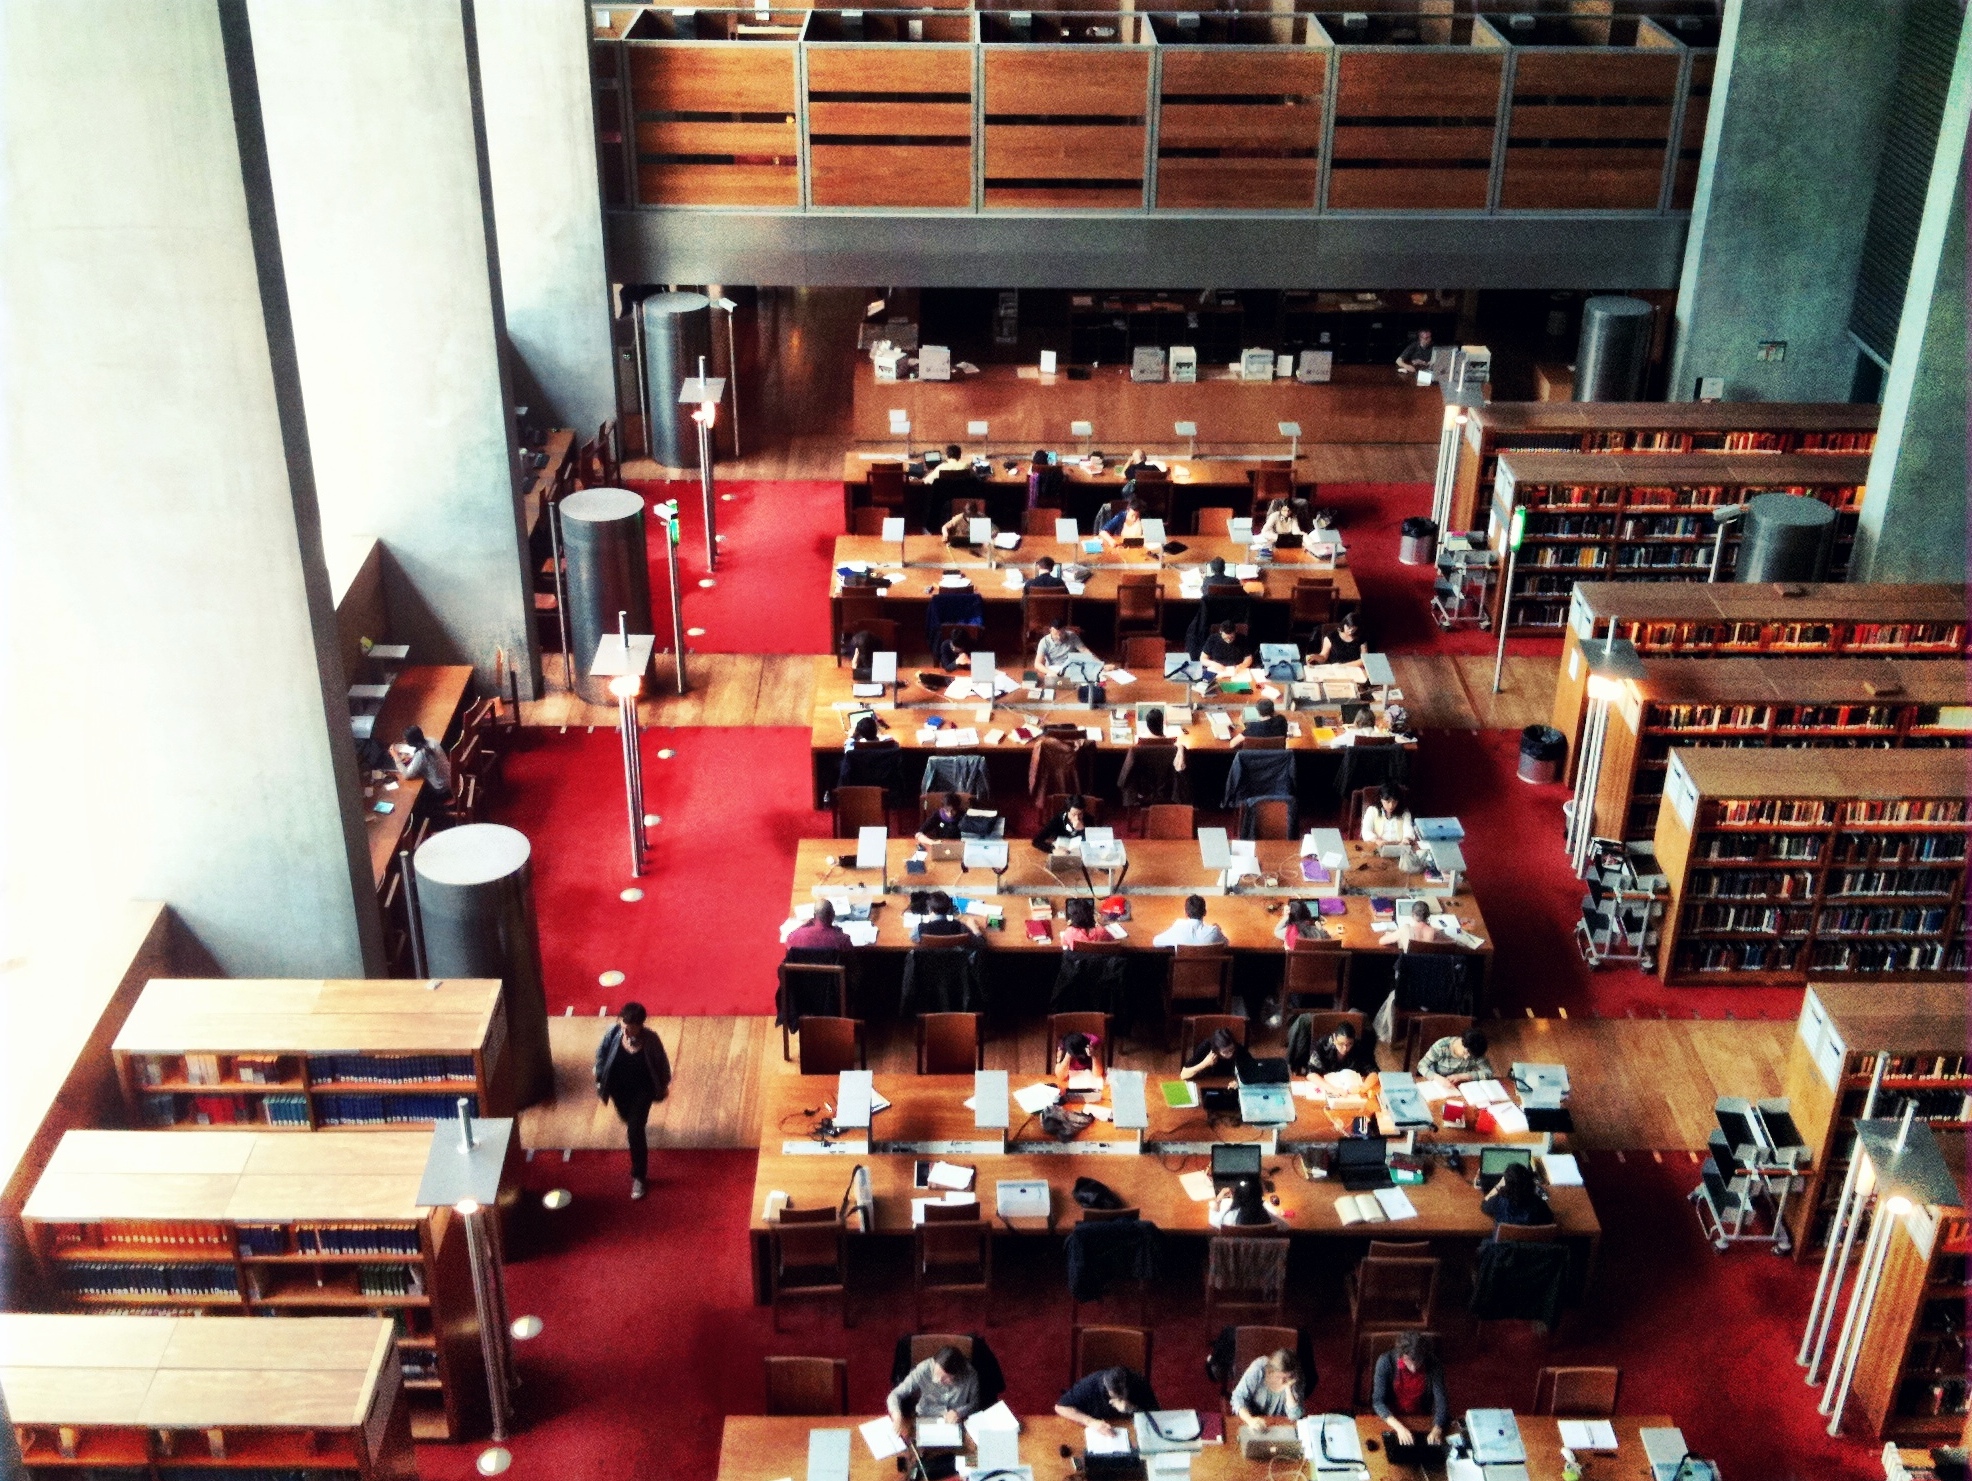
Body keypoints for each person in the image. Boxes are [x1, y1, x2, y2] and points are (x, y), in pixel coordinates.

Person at [592, 1002, 673, 1200]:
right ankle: (634, 1124)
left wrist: (662, 1086)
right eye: (624, 1024)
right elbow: (601, 1055)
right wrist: (600, 1076)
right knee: (626, 1118)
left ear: (640, 1025)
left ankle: (639, 1176)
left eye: (631, 1026)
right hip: (618, 1089)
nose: (626, 1029)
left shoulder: (651, 1040)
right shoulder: (613, 1033)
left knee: (635, 1129)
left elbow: (662, 1065)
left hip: (642, 1090)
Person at [1371, 1331, 1449, 1448]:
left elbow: (1441, 1401)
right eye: (1409, 1362)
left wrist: (1437, 1429)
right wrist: (1399, 1428)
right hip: (1391, 1418)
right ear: (1402, 1354)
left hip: (1420, 1417)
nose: (1413, 1368)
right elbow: (1378, 1401)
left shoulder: (1434, 1363)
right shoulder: (1385, 1361)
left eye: (1418, 1362)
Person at [887, 1344, 980, 1433]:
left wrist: (959, 1412)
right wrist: (897, 1416)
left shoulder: (970, 1375)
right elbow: (895, 1395)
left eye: (945, 1378)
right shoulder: (924, 1369)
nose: (938, 1380)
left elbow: (975, 1403)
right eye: (936, 1374)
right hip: (925, 1418)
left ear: (957, 1374)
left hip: (954, 1423)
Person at [1055, 1365, 1159, 1439]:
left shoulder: (1140, 1383)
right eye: (1117, 1397)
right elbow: (1061, 1407)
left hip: (1131, 1432)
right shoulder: (1090, 1384)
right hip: (1098, 1432)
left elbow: (1157, 1416)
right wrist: (1090, 1422)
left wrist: (1133, 1408)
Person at [1230, 1349, 1307, 1429]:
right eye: (1278, 1377)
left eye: (1287, 1378)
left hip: (1279, 1425)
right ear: (1270, 1371)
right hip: (1251, 1419)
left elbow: (1295, 1416)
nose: (1282, 1382)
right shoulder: (1259, 1369)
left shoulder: (1295, 1379)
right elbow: (1238, 1397)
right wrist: (1250, 1420)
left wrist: (1288, 1390)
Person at [1481, 1160, 1553, 1235]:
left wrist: (1498, 1186)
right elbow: (1549, 1219)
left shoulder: (1497, 1201)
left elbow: (1484, 1205)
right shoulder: (1538, 1204)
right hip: (1532, 1245)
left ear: (1506, 1183)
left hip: (1504, 1245)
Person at [391, 726, 453, 805]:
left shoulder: (421, 754)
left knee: (418, 799)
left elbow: (407, 775)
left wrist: (395, 756)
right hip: (450, 778)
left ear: (411, 741)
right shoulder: (431, 740)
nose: (404, 741)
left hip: (442, 789)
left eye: (405, 740)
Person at [1418, 1027, 1494, 1085]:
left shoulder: (1475, 1050)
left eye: (1470, 1056)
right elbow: (1421, 1066)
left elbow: (1488, 1072)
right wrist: (1437, 1078)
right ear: (1462, 1042)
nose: (1466, 1058)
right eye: (1465, 1052)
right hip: (1438, 1083)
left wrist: (1462, 1076)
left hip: (1461, 1085)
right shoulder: (1442, 1047)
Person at [1181, 1026, 1255, 1082]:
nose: (1230, 1054)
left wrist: (1239, 1082)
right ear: (1217, 1050)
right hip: (1209, 1082)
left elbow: (1252, 1069)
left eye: (1231, 1049)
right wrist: (1204, 1064)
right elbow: (1183, 1075)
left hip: (1230, 1082)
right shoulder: (1206, 1047)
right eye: (1225, 1052)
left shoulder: (1238, 1048)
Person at [1154, 894, 1228, 947]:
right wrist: (1218, 930)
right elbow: (1226, 943)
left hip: (1182, 969)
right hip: (1208, 969)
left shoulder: (1178, 928)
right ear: (1205, 912)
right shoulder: (1214, 931)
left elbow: (1156, 942)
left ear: (1185, 913)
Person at [1212, 1175, 1284, 1229]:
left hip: (1236, 1249)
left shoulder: (1228, 1217)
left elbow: (1213, 1220)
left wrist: (1218, 1199)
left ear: (1236, 1195)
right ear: (1260, 1196)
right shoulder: (1269, 1218)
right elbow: (1286, 1226)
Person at [911, 890, 982, 943]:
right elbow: (981, 943)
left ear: (929, 909)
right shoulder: (960, 926)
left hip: (928, 961)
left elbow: (913, 938)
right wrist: (975, 929)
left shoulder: (919, 928)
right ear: (949, 909)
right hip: (955, 961)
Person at [1305, 1019, 1370, 1077]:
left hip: (1351, 1086)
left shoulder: (1358, 1046)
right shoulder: (1323, 1045)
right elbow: (1311, 1073)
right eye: (1341, 1044)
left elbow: (1372, 1071)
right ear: (1334, 1038)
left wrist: (1363, 1088)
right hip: (1326, 1083)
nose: (1345, 1048)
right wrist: (1334, 1090)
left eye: (1349, 1044)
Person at [786, 898, 854, 952]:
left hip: (803, 969)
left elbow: (789, 940)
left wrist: (804, 925)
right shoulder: (843, 939)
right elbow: (850, 960)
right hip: (831, 969)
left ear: (814, 916)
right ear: (833, 915)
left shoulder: (796, 937)